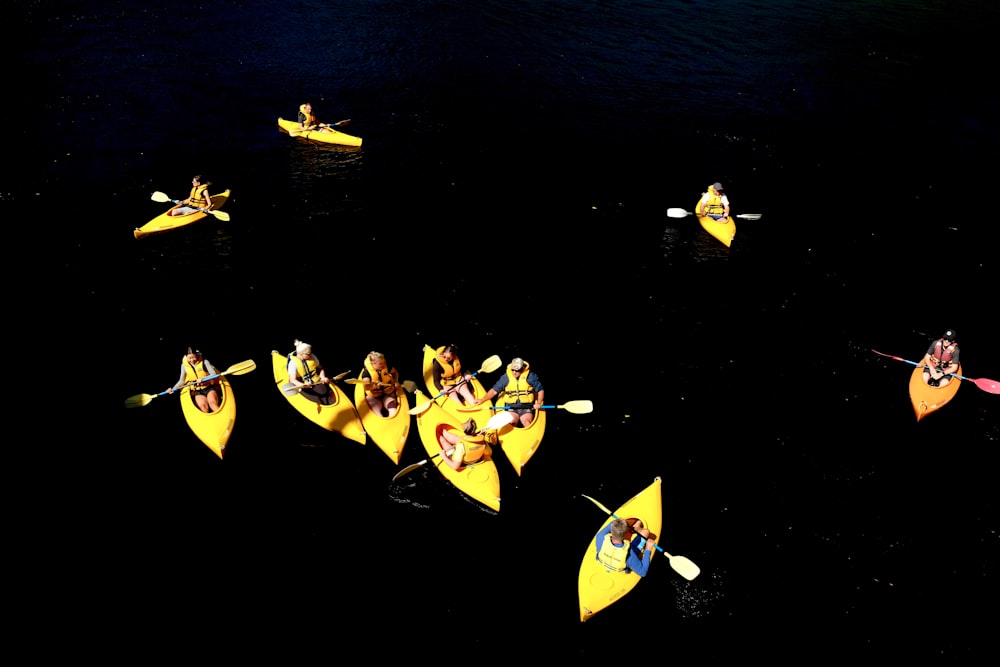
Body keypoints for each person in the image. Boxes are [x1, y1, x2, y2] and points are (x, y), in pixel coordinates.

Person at [474, 357, 544, 427]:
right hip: (512, 407)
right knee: (512, 423)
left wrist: (538, 403)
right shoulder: (506, 377)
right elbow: (494, 391)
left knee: (527, 423)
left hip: (526, 407)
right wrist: (482, 400)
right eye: (512, 369)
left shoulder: (530, 376)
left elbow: (540, 390)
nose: (514, 372)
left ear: (522, 368)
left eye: (517, 370)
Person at [593, 517, 657, 577]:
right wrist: (648, 549)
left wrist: (619, 523)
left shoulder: (600, 537)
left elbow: (612, 523)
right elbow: (643, 572)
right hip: (622, 567)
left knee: (623, 523)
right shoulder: (630, 553)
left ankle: (636, 526)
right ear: (626, 534)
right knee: (645, 532)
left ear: (611, 531)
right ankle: (636, 527)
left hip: (603, 561)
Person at [167, 347, 221, 413]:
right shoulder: (184, 366)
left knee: (212, 403)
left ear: (197, 355)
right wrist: (173, 389)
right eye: (190, 358)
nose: (192, 360)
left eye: (194, 357)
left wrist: (203, 379)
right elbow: (182, 381)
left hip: (209, 388)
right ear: (186, 357)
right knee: (203, 407)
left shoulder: (204, 361)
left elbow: (213, 374)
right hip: (197, 391)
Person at [287, 339, 334, 405]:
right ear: (300, 354)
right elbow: (292, 380)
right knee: (316, 398)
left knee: (324, 392)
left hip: (316, 381)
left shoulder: (312, 357)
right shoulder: (293, 363)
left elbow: (320, 368)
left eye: (311, 353)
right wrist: (301, 385)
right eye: (308, 354)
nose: (310, 355)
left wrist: (323, 377)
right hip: (303, 384)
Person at [360, 351, 400, 418]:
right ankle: (380, 418)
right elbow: (366, 387)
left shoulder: (386, 368)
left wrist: (396, 381)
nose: (384, 365)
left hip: (387, 393)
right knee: (376, 409)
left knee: (391, 405)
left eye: (384, 362)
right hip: (374, 396)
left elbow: (395, 373)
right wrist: (374, 385)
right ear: (373, 364)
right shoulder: (366, 373)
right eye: (381, 363)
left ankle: (393, 416)